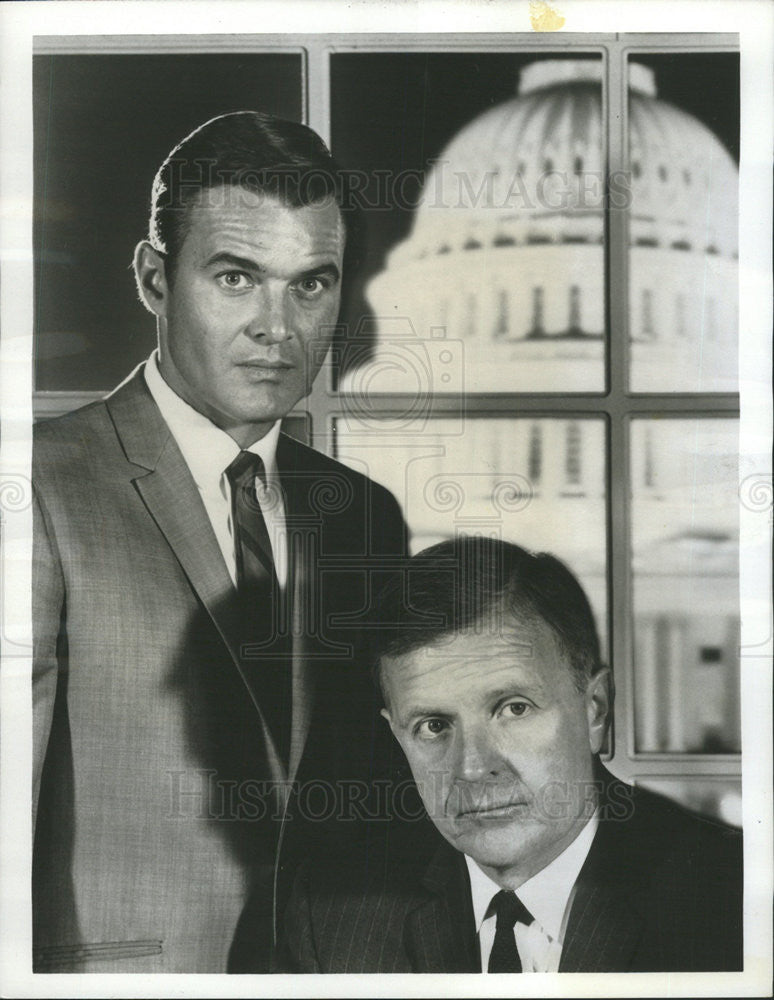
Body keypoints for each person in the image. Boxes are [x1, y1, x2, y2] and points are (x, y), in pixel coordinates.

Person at [32, 111, 408, 973]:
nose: (278, 327)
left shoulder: (362, 514)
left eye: (311, 284)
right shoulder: (39, 487)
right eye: (237, 278)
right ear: (153, 279)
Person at [282, 536, 744, 973]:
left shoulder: (732, 897)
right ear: (397, 735)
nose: (472, 766)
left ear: (594, 710)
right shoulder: (332, 916)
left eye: (513, 708)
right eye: (434, 726)